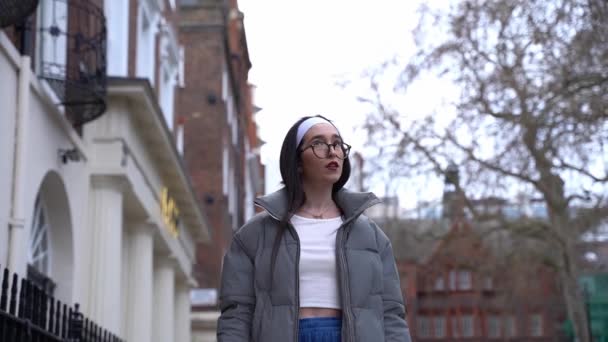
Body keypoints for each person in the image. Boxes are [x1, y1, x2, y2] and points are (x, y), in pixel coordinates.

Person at [217, 115, 412, 342]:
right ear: (297, 161)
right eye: (318, 143)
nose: (332, 151)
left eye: (337, 143)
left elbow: (391, 314)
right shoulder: (254, 235)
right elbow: (237, 314)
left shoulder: (372, 237)